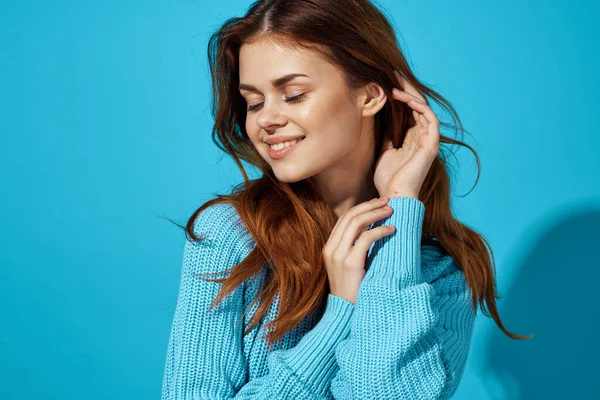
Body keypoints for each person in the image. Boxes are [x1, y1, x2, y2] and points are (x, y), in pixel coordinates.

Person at [161, 0, 533, 399]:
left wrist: (400, 201)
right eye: (254, 101)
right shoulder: (231, 236)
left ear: (370, 96)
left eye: (293, 94)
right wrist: (340, 314)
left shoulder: (440, 274)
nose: (266, 119)